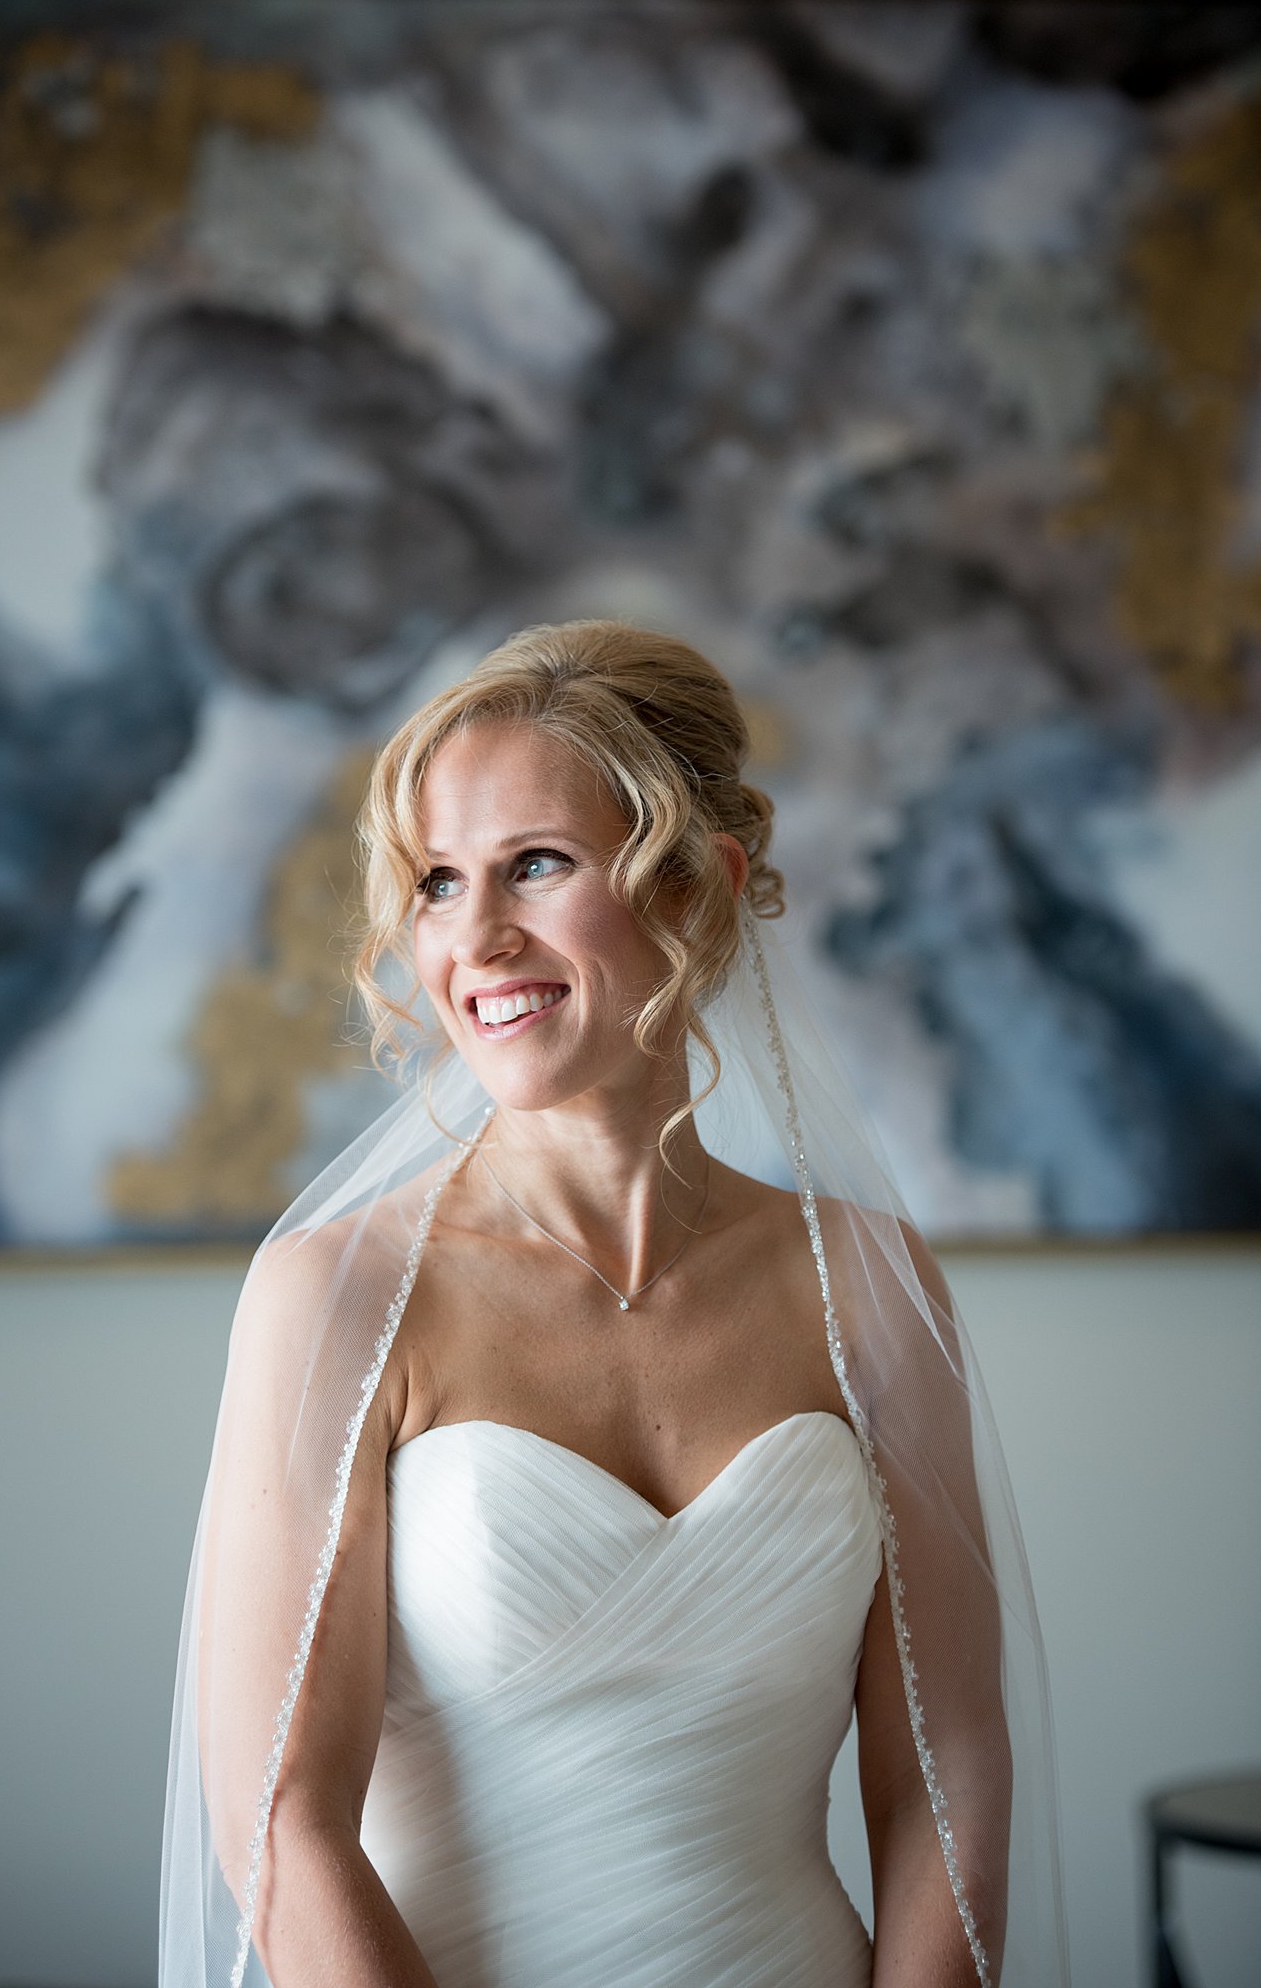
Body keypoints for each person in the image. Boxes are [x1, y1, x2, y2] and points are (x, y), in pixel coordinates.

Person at [160, 621, 1067, 1988]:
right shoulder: (339, 1297)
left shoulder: (866, 1285)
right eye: (437, 882)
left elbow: (945, 1779)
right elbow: (281, 1820)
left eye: (536, 864)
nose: (473, 938)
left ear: (700, 888)